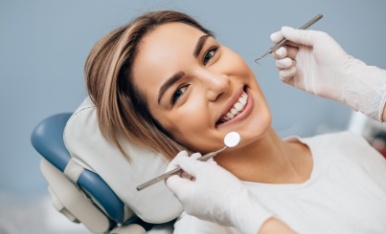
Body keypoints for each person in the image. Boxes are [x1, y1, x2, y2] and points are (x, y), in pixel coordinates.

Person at [84, 10, 386, 233]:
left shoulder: (346, 147)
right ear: (159, 133)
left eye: (209, 54)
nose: (217, 84)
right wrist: (242, 212)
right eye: (179, 92)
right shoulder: (207, 227)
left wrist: (373, 94)